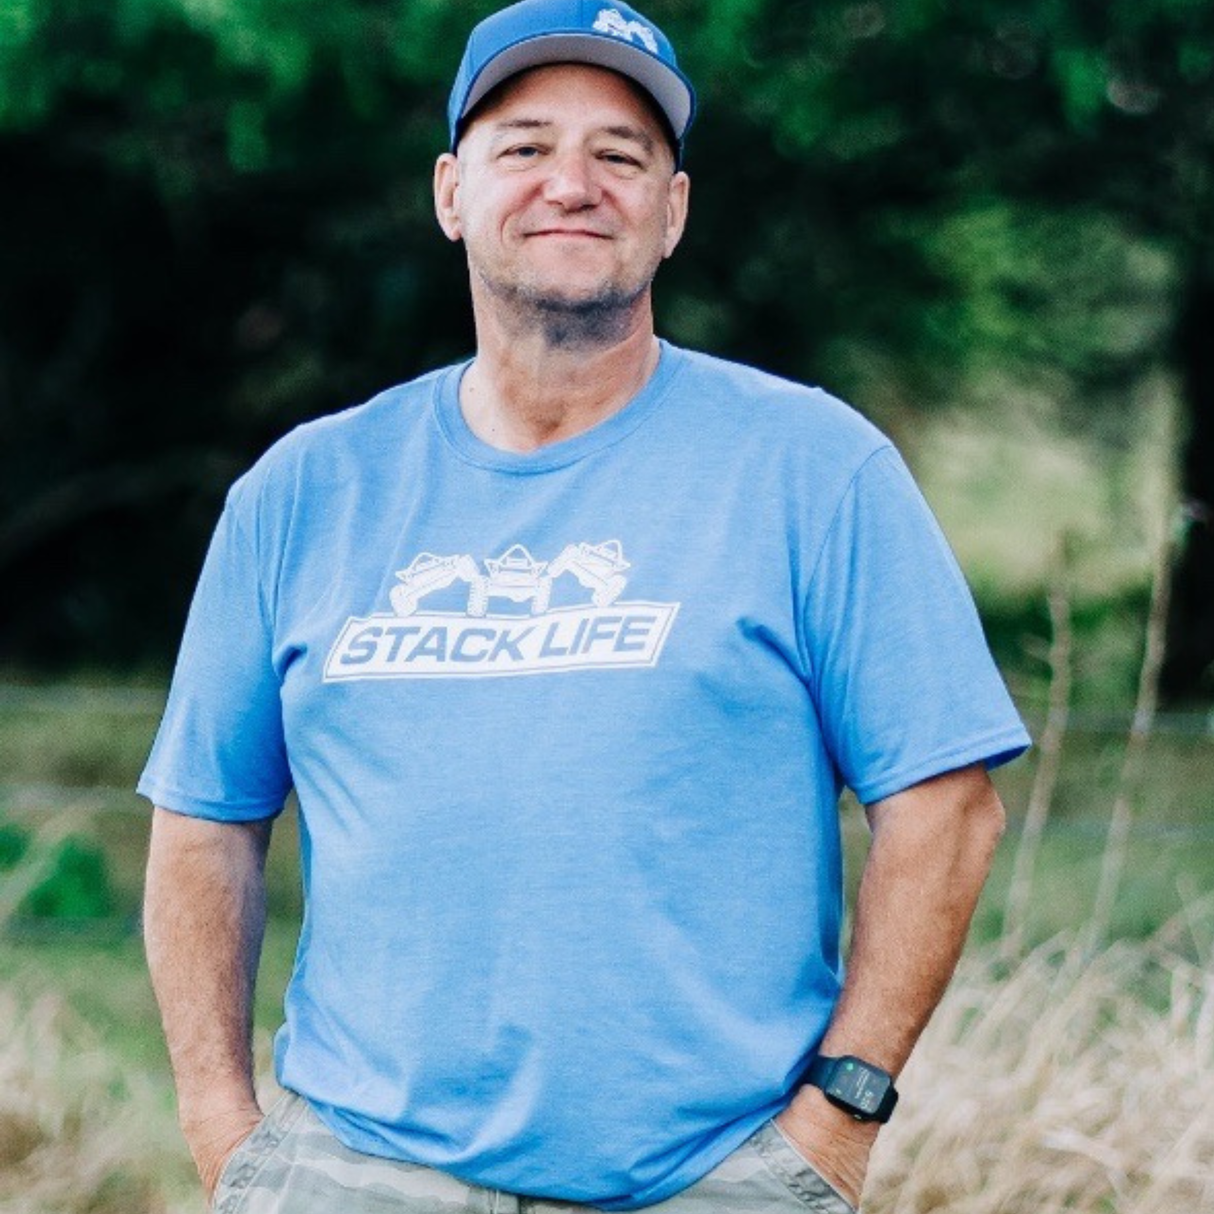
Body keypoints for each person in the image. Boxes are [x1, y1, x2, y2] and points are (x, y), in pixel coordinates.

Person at [140, 2, 1031, 1212]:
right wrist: (223, 1129)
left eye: (619, 154)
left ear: (672, 211)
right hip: (353, 1171)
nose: (572, 183)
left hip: (712, 1177)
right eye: (524, 147)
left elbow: (943, 805)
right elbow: (203, 821)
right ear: (453, 193)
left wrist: (834, 1123)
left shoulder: (813, 469)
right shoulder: (306, 489)